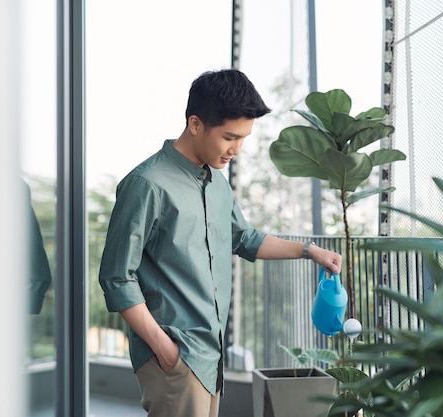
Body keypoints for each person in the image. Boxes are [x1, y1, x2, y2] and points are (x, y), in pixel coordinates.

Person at [98, 69, 342, 417]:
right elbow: (117, 277)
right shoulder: (146, 184)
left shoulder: (216, 182)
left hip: (210, 353)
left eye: (243, 138)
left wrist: (309, 251)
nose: (237, 150)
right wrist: (164, 347)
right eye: (230, 137)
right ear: (195, 124)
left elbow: (244, 238)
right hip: (174, 353)